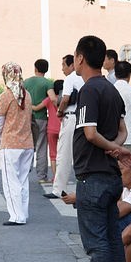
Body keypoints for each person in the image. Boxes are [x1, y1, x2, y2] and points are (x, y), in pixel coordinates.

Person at [69, 35, 131, 262]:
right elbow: (123, 130)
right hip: (110, 177)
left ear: (81, 58)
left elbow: (90, 133)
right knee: (111, 238)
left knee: (96, 241)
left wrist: (114, 150)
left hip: (93, 176)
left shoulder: (89, 91)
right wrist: (116, 148)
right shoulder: (112, 90)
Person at [0, 62, 33, 226]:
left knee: (11, 182)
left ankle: (16, 216)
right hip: (27, 143)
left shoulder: (6, 95)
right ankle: (23, 213)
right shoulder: (27, 94)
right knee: (23, 180)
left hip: (11, 143)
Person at [53, 54, 82, 199]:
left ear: (72, 65)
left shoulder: (70, 78)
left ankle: (59, 188)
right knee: (81, 155)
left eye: (64, 65)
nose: (62, 68)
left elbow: (65, 99)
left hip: (70, 116)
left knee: (64, 154)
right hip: (84, 118)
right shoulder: (85, 78)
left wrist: (59, 111)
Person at [24, 59, 54, 183]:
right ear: (46, 69)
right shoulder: (47, 83)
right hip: (41, 118)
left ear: (35, 68)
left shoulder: (25, 82)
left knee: (27, 146)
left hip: (26, 118)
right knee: (41, 147)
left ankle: (24, 173)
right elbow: (52, 98)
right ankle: (42, 176)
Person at [36, 79, 64, 198]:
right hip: (63, 127)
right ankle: (64, 177)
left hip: (51, 129)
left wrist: (29, 106)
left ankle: (55, 177)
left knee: (53, 154)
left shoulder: (48, 100)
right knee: (63, 154)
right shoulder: (63, 100)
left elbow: (37, 108)